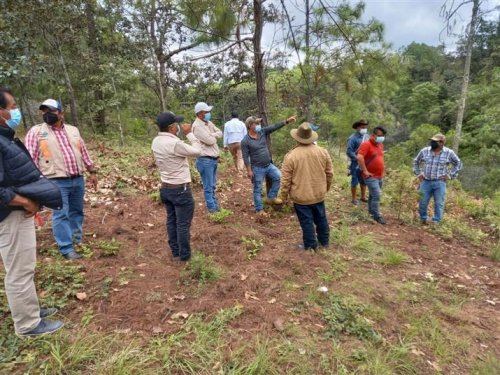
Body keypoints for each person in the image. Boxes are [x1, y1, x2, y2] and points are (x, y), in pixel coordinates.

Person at [0, 88, 63, 336]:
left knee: (25, 267)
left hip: (15, 212)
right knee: (19, 269)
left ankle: (31, 310)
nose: (15, 111)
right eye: (12, 106)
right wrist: (25, 203)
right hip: (9, 214)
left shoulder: (5, 137)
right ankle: (27, 325)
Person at [25, 99, 98, 260]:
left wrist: (92, 171)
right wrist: (35, 184)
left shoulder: (73, 130)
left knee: (76, 211)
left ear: (61, 113)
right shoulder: (36, 132)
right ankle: (66, 248)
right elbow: (30, 159)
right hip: (55, 180)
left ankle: (76, 240)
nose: (47, 114)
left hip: (77, 178)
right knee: (61, 214)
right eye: (44, 111)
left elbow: (83, 152)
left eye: (51, 111)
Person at [152, 112, 201, 262]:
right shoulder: (174, 144)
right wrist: (190, 134)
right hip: (180, 189)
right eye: (176, 124)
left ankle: (175, 252)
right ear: (171, 127)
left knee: (171, 221)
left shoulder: (156, 141)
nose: (179, 127)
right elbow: (198, 151)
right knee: (182, 225)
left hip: (166, 188)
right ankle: (184, 257)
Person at [280, 123, 333, 250]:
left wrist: (283, 196)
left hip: (301, 196)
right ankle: (324, 242)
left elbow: (286, 180)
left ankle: (310, 246)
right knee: (321, 218)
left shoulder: (291, 156)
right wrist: (326, 188)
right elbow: (329, 173)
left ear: (297, 138)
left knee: (306, 221)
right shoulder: (322, 152)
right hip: (318, 194)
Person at [241, 114, 297, 215]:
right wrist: (249, 170)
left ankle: (271, 197)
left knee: (279, 177)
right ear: (250, 125)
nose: (258, 125)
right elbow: (245, 157)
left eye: (259, 123)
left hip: (268, 165)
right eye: (256, 123)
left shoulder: (262, 132)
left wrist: (287, 121)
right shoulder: (245, 141)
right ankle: (259, 210)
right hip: (257, 168)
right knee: (257, 189)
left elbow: (274, 127)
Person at [413, 133, 462, 224]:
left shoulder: (449, 152)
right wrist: (418, 173)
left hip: (440, 182)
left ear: (441, 142)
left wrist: (450, 175)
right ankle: (423, 219)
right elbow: (416, 161)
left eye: (435, 141)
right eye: (432, 141)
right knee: (422, 202)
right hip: (426, 181)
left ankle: (436, 222)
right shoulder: (425, 151)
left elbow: (458, 164)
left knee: (439, 203)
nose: (432, 142)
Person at [192, 102, 222, 213]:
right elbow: (210, 141)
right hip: (205, 160)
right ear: (200, 113)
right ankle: (212, 208)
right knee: (208, 186)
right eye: (206, 112)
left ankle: (214, 205)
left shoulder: (208, 123)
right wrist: (213, 136)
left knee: (212, 185)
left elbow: (220, 132)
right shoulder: (197, 126)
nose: (209, 113)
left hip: (212, 159)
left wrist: (212, 135)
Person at [357, 126, 387, 224]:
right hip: (370, 176)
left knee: (372, 195)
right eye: (379, 135)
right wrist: (365, 171)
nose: (381, 137)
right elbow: (360, 157)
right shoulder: (366, 144)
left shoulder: (380, 145)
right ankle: (376, 215)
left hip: (379, 176)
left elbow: (380, 157)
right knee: (377, 195)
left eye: (382, 136)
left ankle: (371, 212)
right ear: (373, 135)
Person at [346, 119, 369, 205]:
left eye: (366, 127)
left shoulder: (367, 137)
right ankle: (354, 198)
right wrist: (357, 158)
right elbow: (349, 151)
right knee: (355, 180)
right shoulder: (352, 138)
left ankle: (363, 197)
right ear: (358, 127)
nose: (365, 129)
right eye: (363, 127)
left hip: (365, 163)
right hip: (355, 163)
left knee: (364, 180)